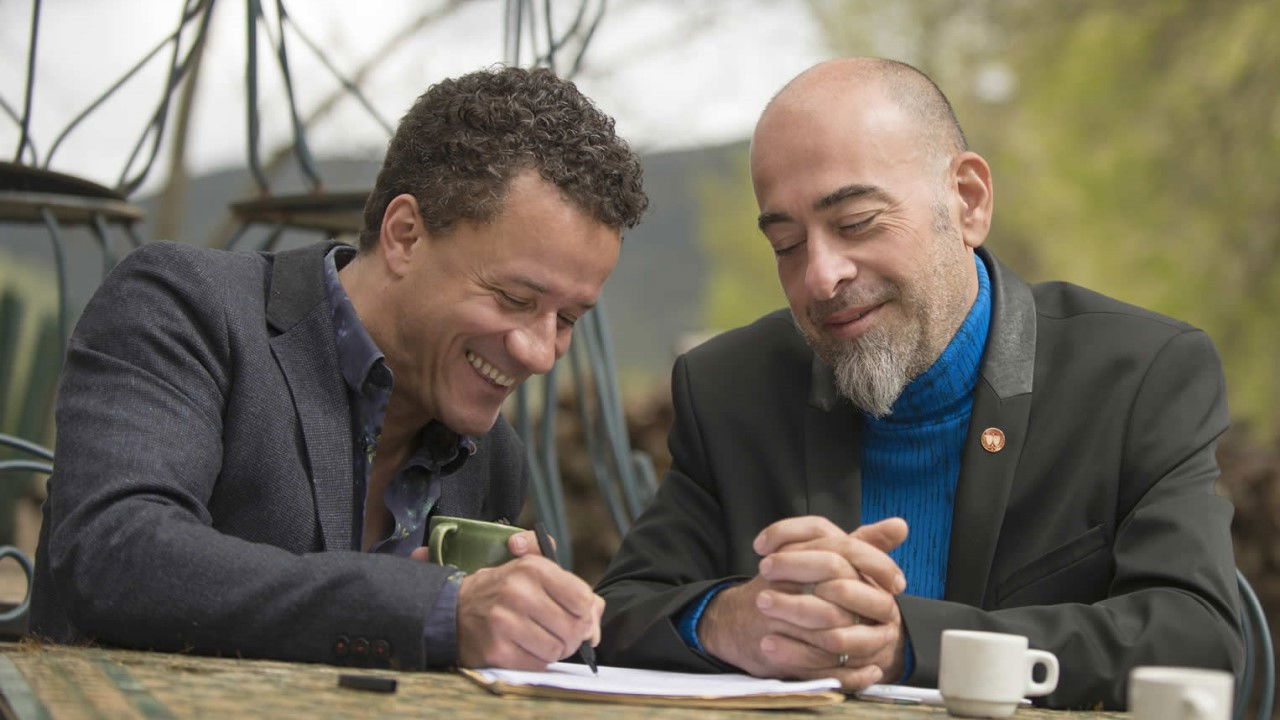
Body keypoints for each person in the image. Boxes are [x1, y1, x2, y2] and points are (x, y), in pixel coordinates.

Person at [595, 57, 1241, 709]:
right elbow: (617, 615)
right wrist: (730, 619)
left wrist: (911, 644)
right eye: (787, 245)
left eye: (855, 223)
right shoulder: (729, 389)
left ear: (967, 200)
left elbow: (1196, 638)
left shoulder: (1138, 374)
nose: (821, 276)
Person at [31, 66, 647, 671]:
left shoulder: (496, 460)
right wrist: (430, 609)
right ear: (405, 235)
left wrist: (528, 624)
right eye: (515, 299)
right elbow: (116, 555)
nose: (540, 353)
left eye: (567, 319)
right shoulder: (184, 305)